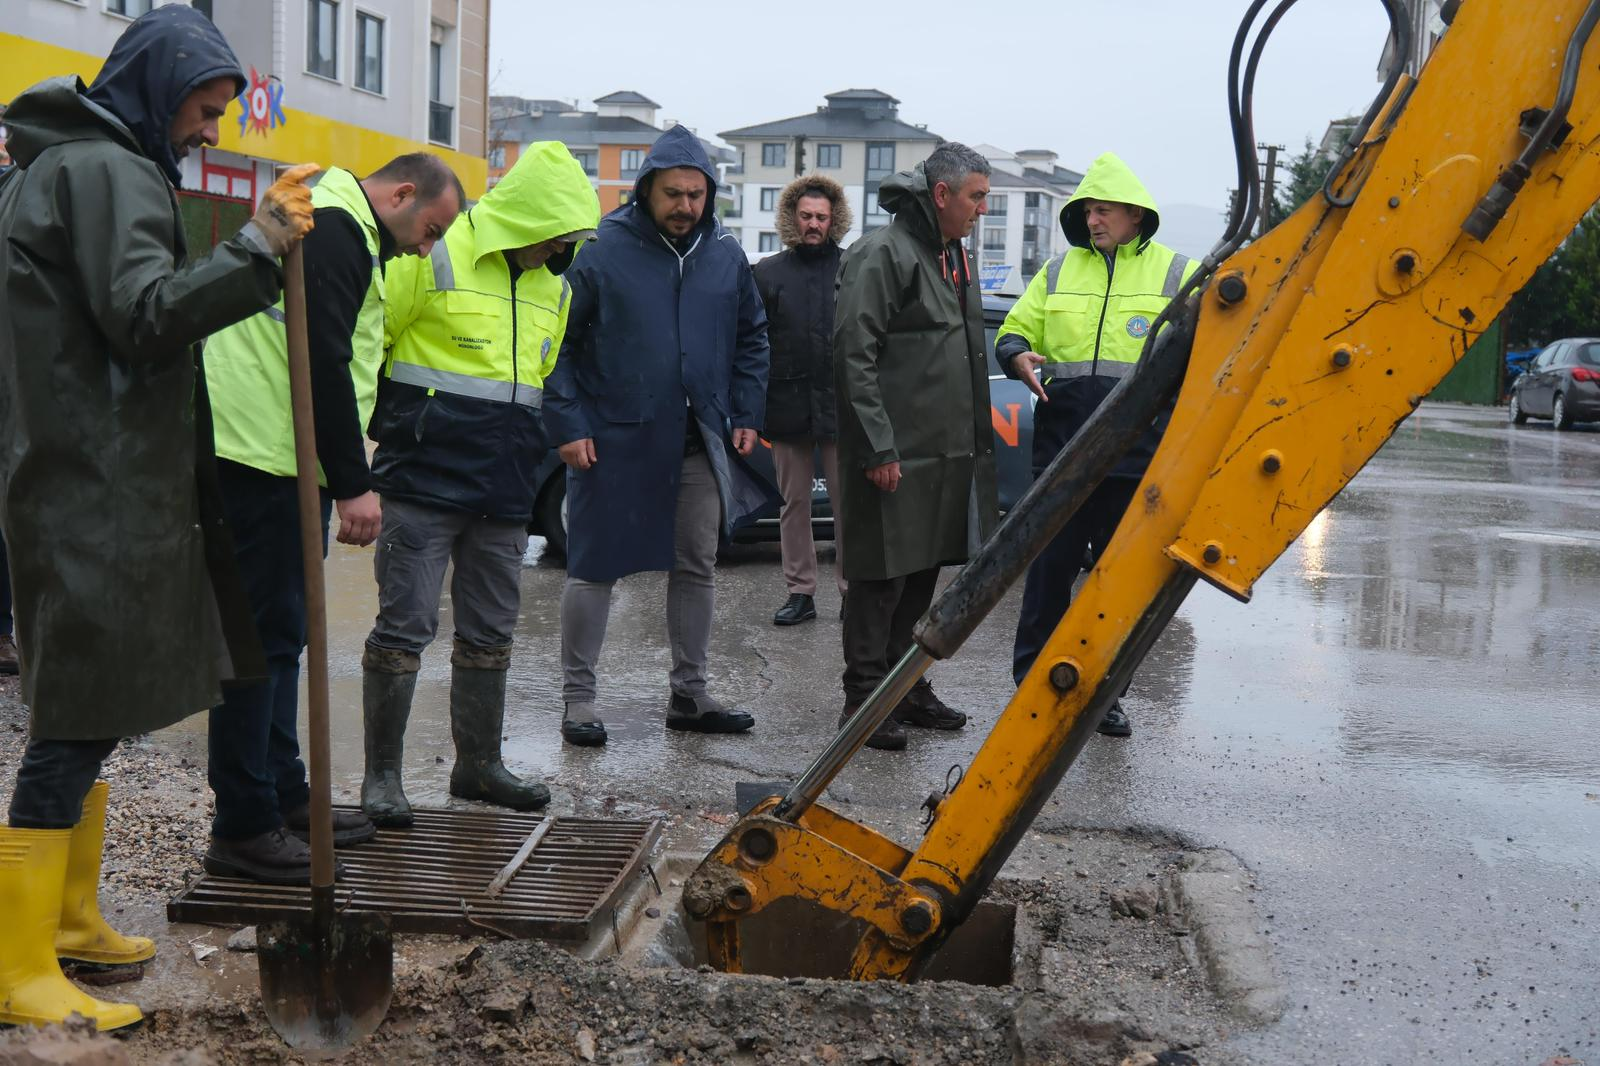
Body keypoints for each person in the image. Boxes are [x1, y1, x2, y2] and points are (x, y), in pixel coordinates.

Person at [0, 6, 313, 1030]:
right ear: (157, 85)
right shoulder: (105, 173)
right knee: (73, 722)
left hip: (83, 465)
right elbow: (144, 317)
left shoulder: (73, 165)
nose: (213, 131)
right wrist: (259, 246)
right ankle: (17, 967)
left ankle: (72, 921)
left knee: (90, 705)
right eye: (207, 110)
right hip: (93, 474)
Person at [200, 153, 464, 882]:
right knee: (259, 645)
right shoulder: (340, 228)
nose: (425, 246)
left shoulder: (340, 219)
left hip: (280, 453)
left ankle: (284, 795)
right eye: (430, 227)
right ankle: (243, 823)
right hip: (260, 455)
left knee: (282, 639)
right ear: (403, 193)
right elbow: (320, 356)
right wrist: (355, 483)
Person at [358, 142, 600, 823]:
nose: (559, 248)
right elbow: (372, 343)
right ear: (524, 220)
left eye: (570, 238)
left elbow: (539, 381)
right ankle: (382, 778)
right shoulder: (437, 249)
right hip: (421, 479)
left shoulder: (556, 282)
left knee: (492, 629)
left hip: (503, 487)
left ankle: (479, 766)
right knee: (403, 627)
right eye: (554, 234)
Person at [544, 125, 774, 747]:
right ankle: (579, 701)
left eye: (697, 195)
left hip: (699, 437)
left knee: (697, 565)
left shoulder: (723, 253)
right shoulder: (600, 251)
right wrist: (567, 423)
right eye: (673, 194)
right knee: (594, 567)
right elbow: (555, 345)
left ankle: (690, 694)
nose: (686, 207)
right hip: (611, 441)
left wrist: (746, 411)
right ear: (646, 189)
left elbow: (753, 335)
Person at [995, 152, 1197, 738]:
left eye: (1103, 210)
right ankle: (1031, 684)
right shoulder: (1059, 272)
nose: (1092, 220)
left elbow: (1203, 354)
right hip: (1062, 454)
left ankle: (1105, 694)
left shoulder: (1176, 274)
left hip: (1135, 460)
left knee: (1114, 588)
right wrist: (1014, 354)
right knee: (1048, 576)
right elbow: (1014, 330)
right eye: (1086, 211)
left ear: (1136, 214)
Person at [833, 142, 999, 752]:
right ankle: (863, 701)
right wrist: (878, 448)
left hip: (946, 454)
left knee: (925, 569)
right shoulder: (883, 253)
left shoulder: (951, 254)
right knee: (880, 576)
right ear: (941, 194)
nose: (982, 209)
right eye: (976, 197)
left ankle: (904, 688)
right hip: (895, 455)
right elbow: (855, 355)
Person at [755, 174, 852, 627]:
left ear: (835, 221)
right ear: (792, 218)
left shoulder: (854, 269)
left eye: (822, 217)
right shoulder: (768, 273)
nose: (814, 224)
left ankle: (854, 592)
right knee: (793, 503)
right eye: (807, 216)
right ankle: (800, 592)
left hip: (842, 405)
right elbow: (752, 343)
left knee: (847, 502)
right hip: (786, 404)